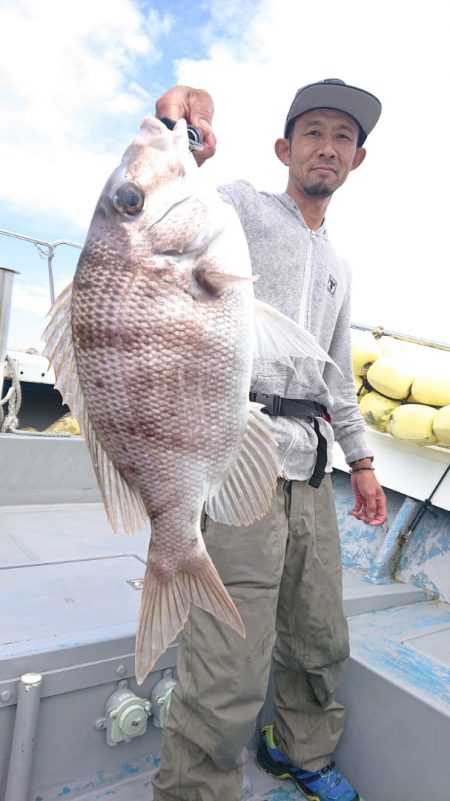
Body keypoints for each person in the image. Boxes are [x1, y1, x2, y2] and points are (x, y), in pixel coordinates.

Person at [151, 78, 387, 801]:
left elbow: (336, 373)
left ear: (358, 159)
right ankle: (195, 790)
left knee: (319, 638)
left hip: (313, 471)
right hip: (236, 456)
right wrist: (179, 128)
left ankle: (297, 746)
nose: (327, 147)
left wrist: (365, 462)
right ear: (286, 148)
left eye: (343, 137)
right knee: (229, 663)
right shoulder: (244, 209)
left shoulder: (341, 267)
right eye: (313, 132)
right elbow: (169, 208)